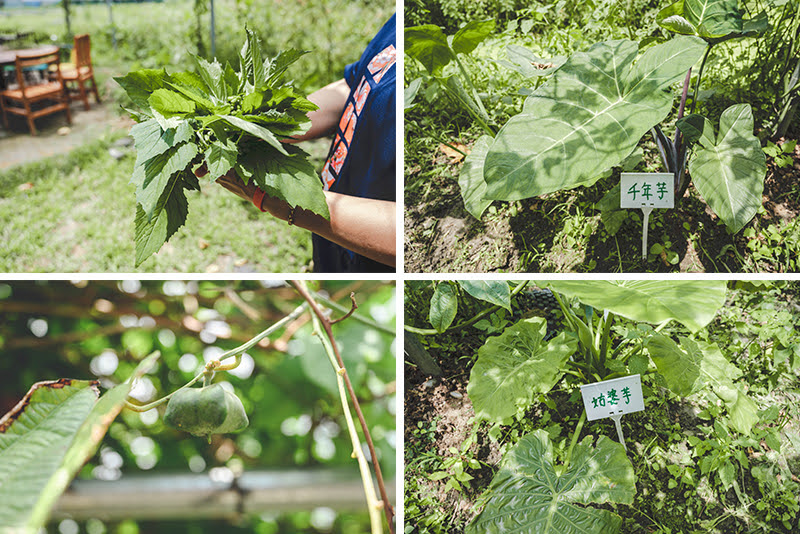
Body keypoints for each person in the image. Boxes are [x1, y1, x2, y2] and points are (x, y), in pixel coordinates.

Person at [202, 14, 396, 273]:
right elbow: (359, 83)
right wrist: (267, 124)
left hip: (367, 257)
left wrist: (281, 202)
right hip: (332, 242)